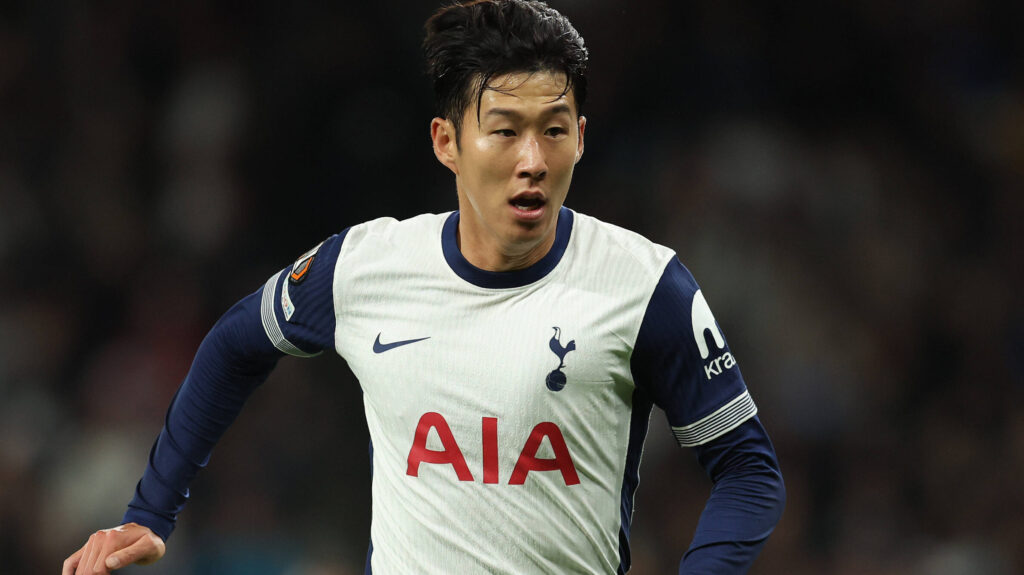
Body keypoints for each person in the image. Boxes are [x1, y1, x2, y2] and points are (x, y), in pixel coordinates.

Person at [63, 1, 785, 573]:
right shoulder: (366, 266)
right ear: (447, 142)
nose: (533, 159)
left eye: (555, 130)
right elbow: (232, 345)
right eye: (504, 131)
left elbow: (749, 470)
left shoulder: (645, 283)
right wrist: (151, 512)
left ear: (582, 137)